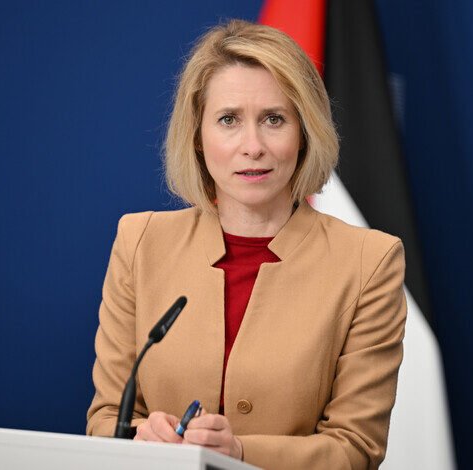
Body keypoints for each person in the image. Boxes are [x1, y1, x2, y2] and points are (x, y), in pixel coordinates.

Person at [86, 19, 407, 469]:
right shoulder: (140, 242)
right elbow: (105, 419)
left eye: (274, 119)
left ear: (304, 132)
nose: (252, 146)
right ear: (198, 137)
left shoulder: (368, 262)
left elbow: (356, 448)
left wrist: (238, 454)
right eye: (229, 120)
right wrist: (140, 436)